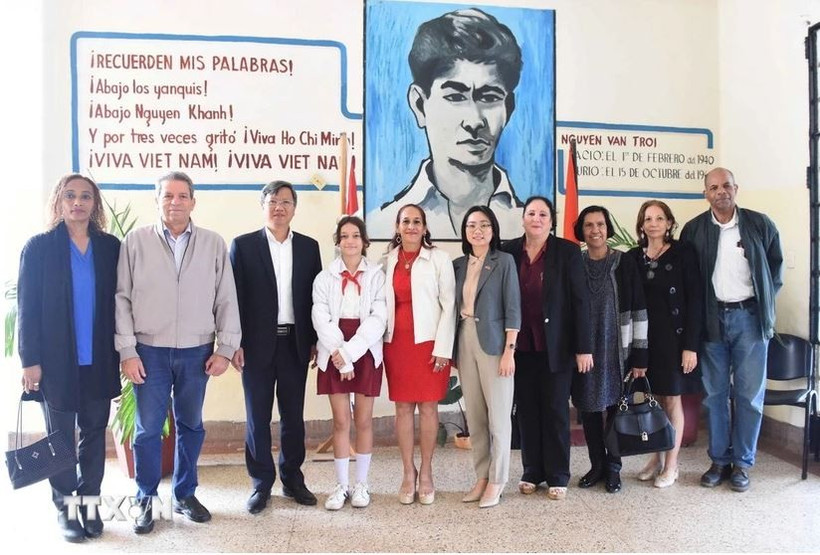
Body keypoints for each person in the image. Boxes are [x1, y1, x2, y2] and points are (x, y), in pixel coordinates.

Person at [116, 171, 241, 534]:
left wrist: (226, 348)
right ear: (157, 200)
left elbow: (226, 298)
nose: (175, 202)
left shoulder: (213, 243)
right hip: (148, 351)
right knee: (147, 429)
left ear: (193, 201)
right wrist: (127, 350)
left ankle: (185, 494)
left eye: (182, 195)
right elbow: (121, 299)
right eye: (167, 195)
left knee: (191, 425)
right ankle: (145, 500)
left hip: (196, 351)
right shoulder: (135, 242)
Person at [17, 174, 120, 542]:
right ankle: (64, 509)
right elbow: (27, 308)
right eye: (70, 195)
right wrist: (30, 360)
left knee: (94, 434)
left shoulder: (110, 247)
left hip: (99, 359)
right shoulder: (40, 248)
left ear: (95, 204)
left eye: (86, 196)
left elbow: (121, 304)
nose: (78, 202)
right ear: (59, 202)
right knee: (59, 438)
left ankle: (89, 506)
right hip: (56, 362)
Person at [366, 8, 524, 240]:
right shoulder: (380, 226)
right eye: (455, 97)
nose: (474, 121)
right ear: (420, 105)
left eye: (489, 97)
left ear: (508, 108)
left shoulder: (527, 226)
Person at [680, 167, 783, 493]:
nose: (721, 191)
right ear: (705, 193)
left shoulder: (759, 224)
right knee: (716, 395)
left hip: (749, 320)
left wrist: (763, 305)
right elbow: (688, 280)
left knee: (749, 396)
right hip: (712, 321)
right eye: (714, 187)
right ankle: (719, 461)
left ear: (736, 188)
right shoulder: (694, 229)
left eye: (726, 185)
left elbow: (774, 270)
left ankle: (742, 464)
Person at [230, 180, 323, 513]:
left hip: (295, 343)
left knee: (293, 417)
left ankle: (293, 479)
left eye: (286, 201)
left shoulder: (310, 248)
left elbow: (317, 300)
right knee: (257, 417)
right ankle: (261, 483)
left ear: (294, 208)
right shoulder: (242, 246)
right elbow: (234, 299)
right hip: (255, 346)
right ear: (263, 205)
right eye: (272, 201)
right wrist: (235, 343)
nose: (279, 207)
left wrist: (314, 341)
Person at [500, 196, 592, 501]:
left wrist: (583, 348)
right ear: (523, 218)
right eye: (531, 213)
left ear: (551, 221)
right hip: (520, 346)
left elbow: (581, 302)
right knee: (526, 410)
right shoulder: (509, 250)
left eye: (543, 214)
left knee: (555, 410)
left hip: (557, 347)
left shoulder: (566, 252)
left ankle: (557, 474)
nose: (536, 218)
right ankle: (532, 470)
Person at [311, 216, 387, 510]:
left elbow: (379, 318)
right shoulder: (324, 277)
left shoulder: (377, 276)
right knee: (342, 421)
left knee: (364, 420)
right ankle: (341, 485)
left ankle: (361, 485)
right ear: (338, 241)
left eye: (356, 235)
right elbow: (320, 317)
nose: (350, 241)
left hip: (365, 349)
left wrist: (351, 353)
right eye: (344, 236)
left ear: (364, 241)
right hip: (333, 350)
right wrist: (340, 356)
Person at [382, 203, 456, 505]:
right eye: (405, 221)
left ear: (425, 227)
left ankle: (426, 473)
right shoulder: (386, 261)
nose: (411, 226)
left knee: (427, 408)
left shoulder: (439, 259)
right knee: (402, 409)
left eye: (417, 221)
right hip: (396, 344)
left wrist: (443, 348)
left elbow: (449, 305)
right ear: (397, 227)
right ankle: (407, 473)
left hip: (429, 345)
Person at [572, 205, 648, 494]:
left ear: (608, 228)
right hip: (585, 350)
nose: (595, 230)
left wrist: (640, 354)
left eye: (600, 224)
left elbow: (640, 308)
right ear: (581, 230)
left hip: (619, 350)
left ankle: (614, 468)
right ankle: (596, 466)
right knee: (590, 410)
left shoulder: (624, 262)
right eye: (589, 225)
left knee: (617, 410)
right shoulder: (575, 263)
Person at [626, 200, 703, 488]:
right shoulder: (634, 257)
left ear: (669, 223)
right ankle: (655, 459)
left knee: (671, 400)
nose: (654, 223)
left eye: (660, 218)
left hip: (675, 340)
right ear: (642, 224)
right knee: (652, 400)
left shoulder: (684, 252)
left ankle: (672, 465)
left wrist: (691, 346)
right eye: (648, 218)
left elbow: (696, 299)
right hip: (646, 341)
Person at [452, 206, 520, 508]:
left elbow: (513, 307)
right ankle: (481, 475)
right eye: (471, 225)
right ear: (464, 231)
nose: (477, 230)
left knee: (499, 418)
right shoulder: (457, 265)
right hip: (464, 340)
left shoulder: (504, 262)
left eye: (483, 225)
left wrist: (509, 350)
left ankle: (497, 479)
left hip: (495, 345)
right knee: (476, 417)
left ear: (493, 230)